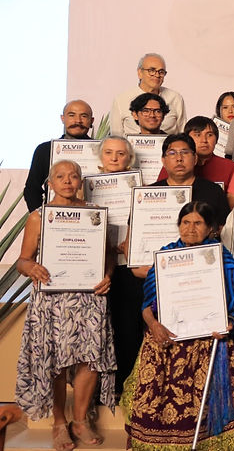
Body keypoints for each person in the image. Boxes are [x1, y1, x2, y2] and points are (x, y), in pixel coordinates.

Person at [122, 201, 234, 451]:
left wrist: (227, 326)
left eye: (198, 223)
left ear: (211, 228)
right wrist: (153, 324)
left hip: (207, 348)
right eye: (185, 222)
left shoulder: (223, 259)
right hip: (165, 344)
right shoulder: (166, 256)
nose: (190, 228)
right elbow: (147, 304)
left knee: (205, 415)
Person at [15, 160, 115, 451]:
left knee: (90, 359)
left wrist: (108, 275)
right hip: (52, 300)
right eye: (61, 176)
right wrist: (31, 268)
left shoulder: (95, 215)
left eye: (74, 176)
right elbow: (23, 260)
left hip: (89, 297)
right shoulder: (38, 217)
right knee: (55, 362)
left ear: (80, 182)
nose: (68, 181)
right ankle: (60, 423)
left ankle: (80, 421)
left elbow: (106, 255)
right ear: (50, 183)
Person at [93, 136, 143, 395]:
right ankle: (97, 392)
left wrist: (133, 243)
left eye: (121, 153)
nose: (114, 158)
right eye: (109, 152)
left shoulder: (139, 187)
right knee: (98, 333)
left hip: (127, 266)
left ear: (129, 158)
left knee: (127, 330)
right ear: (100, 156)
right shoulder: (86, 186)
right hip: (94, 270)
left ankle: (125, 389)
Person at [24, 100, 94, 211]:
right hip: (53, 220)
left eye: (84, 116)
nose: (77, 121)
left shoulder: (102, 150)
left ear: (91, 121)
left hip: (91, 219)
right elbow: (32, 189)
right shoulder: (45, 149)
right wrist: (42, 217)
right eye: (71, 115)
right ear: (63, 118)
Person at [150, 133, 230, 223]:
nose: (179, 158)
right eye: (172, 153)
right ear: (163, 160)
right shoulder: (149, 192)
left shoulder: (214, 191)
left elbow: (223, 228)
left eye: (185, 152)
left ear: (195, 158)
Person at [110, 53, 186, 136]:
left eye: (161, 72)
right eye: (152, 70)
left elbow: (183, 134)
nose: (157, 75)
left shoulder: (175, 98)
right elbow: (116, 137)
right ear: (140, 73)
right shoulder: (121, 100)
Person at [158, 116, 234, 187]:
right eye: (197, 135)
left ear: (216, 139)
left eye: (209, 135)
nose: (204, 140)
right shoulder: (174, 165)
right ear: (187, 139)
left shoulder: (230, 167)